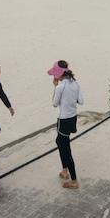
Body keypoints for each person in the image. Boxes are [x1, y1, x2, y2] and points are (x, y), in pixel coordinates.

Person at [49, 60, 84, 189]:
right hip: (73, 118)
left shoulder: (60, 87)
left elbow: (54, 103)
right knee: (61, 142)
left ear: (58, 74)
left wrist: (55, 86)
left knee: (65, 148)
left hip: (63, 120)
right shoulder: (75, 83)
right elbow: (81, 101)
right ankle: (64, 170)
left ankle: (74, 179)